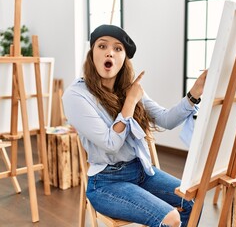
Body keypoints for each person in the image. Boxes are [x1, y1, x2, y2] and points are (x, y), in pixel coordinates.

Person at [62, 24, 207, 227]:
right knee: (171, 218)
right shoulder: (76, 96)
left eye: (117, 49)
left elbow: (166, 120)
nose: (109, 52)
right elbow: (110, 143)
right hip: (107, 184)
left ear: (124, 59)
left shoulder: (130, 88)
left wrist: (194, 94)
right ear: (92, 53)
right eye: (102, 46)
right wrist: (130, 102)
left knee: (193, 201)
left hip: (142, 172)